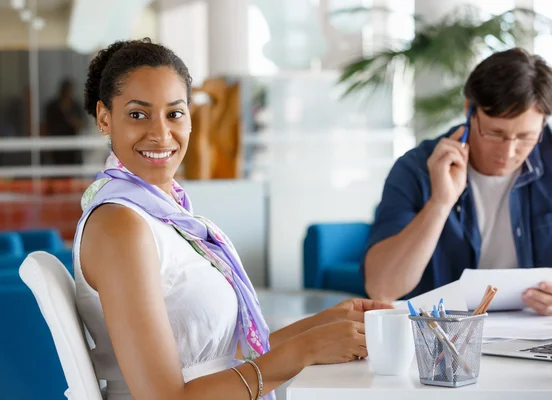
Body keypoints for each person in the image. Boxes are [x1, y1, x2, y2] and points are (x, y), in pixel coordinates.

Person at [74, 38, 392, 400]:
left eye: (174, 113)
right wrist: (306, 350)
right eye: (137, 114)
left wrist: (323, 326)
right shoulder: (121, 226)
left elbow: (221, 356)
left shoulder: (164, 216)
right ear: (104, 117)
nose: (161, 133)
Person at [362, 48, 552, 315]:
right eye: (495, 133)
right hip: (439, 341)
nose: (508, 152)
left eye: (525, 137)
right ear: (469, 110)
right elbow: (382, 288)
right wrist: (440, 203)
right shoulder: (416, 169)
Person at [43, 78, 85, 165]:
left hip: (73, 147)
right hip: (55, 145)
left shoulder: (75, 106)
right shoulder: (52, 107)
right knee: (57, 172)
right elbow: (46, 126)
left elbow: (81, 124)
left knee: (73, 172)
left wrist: (68, 113)